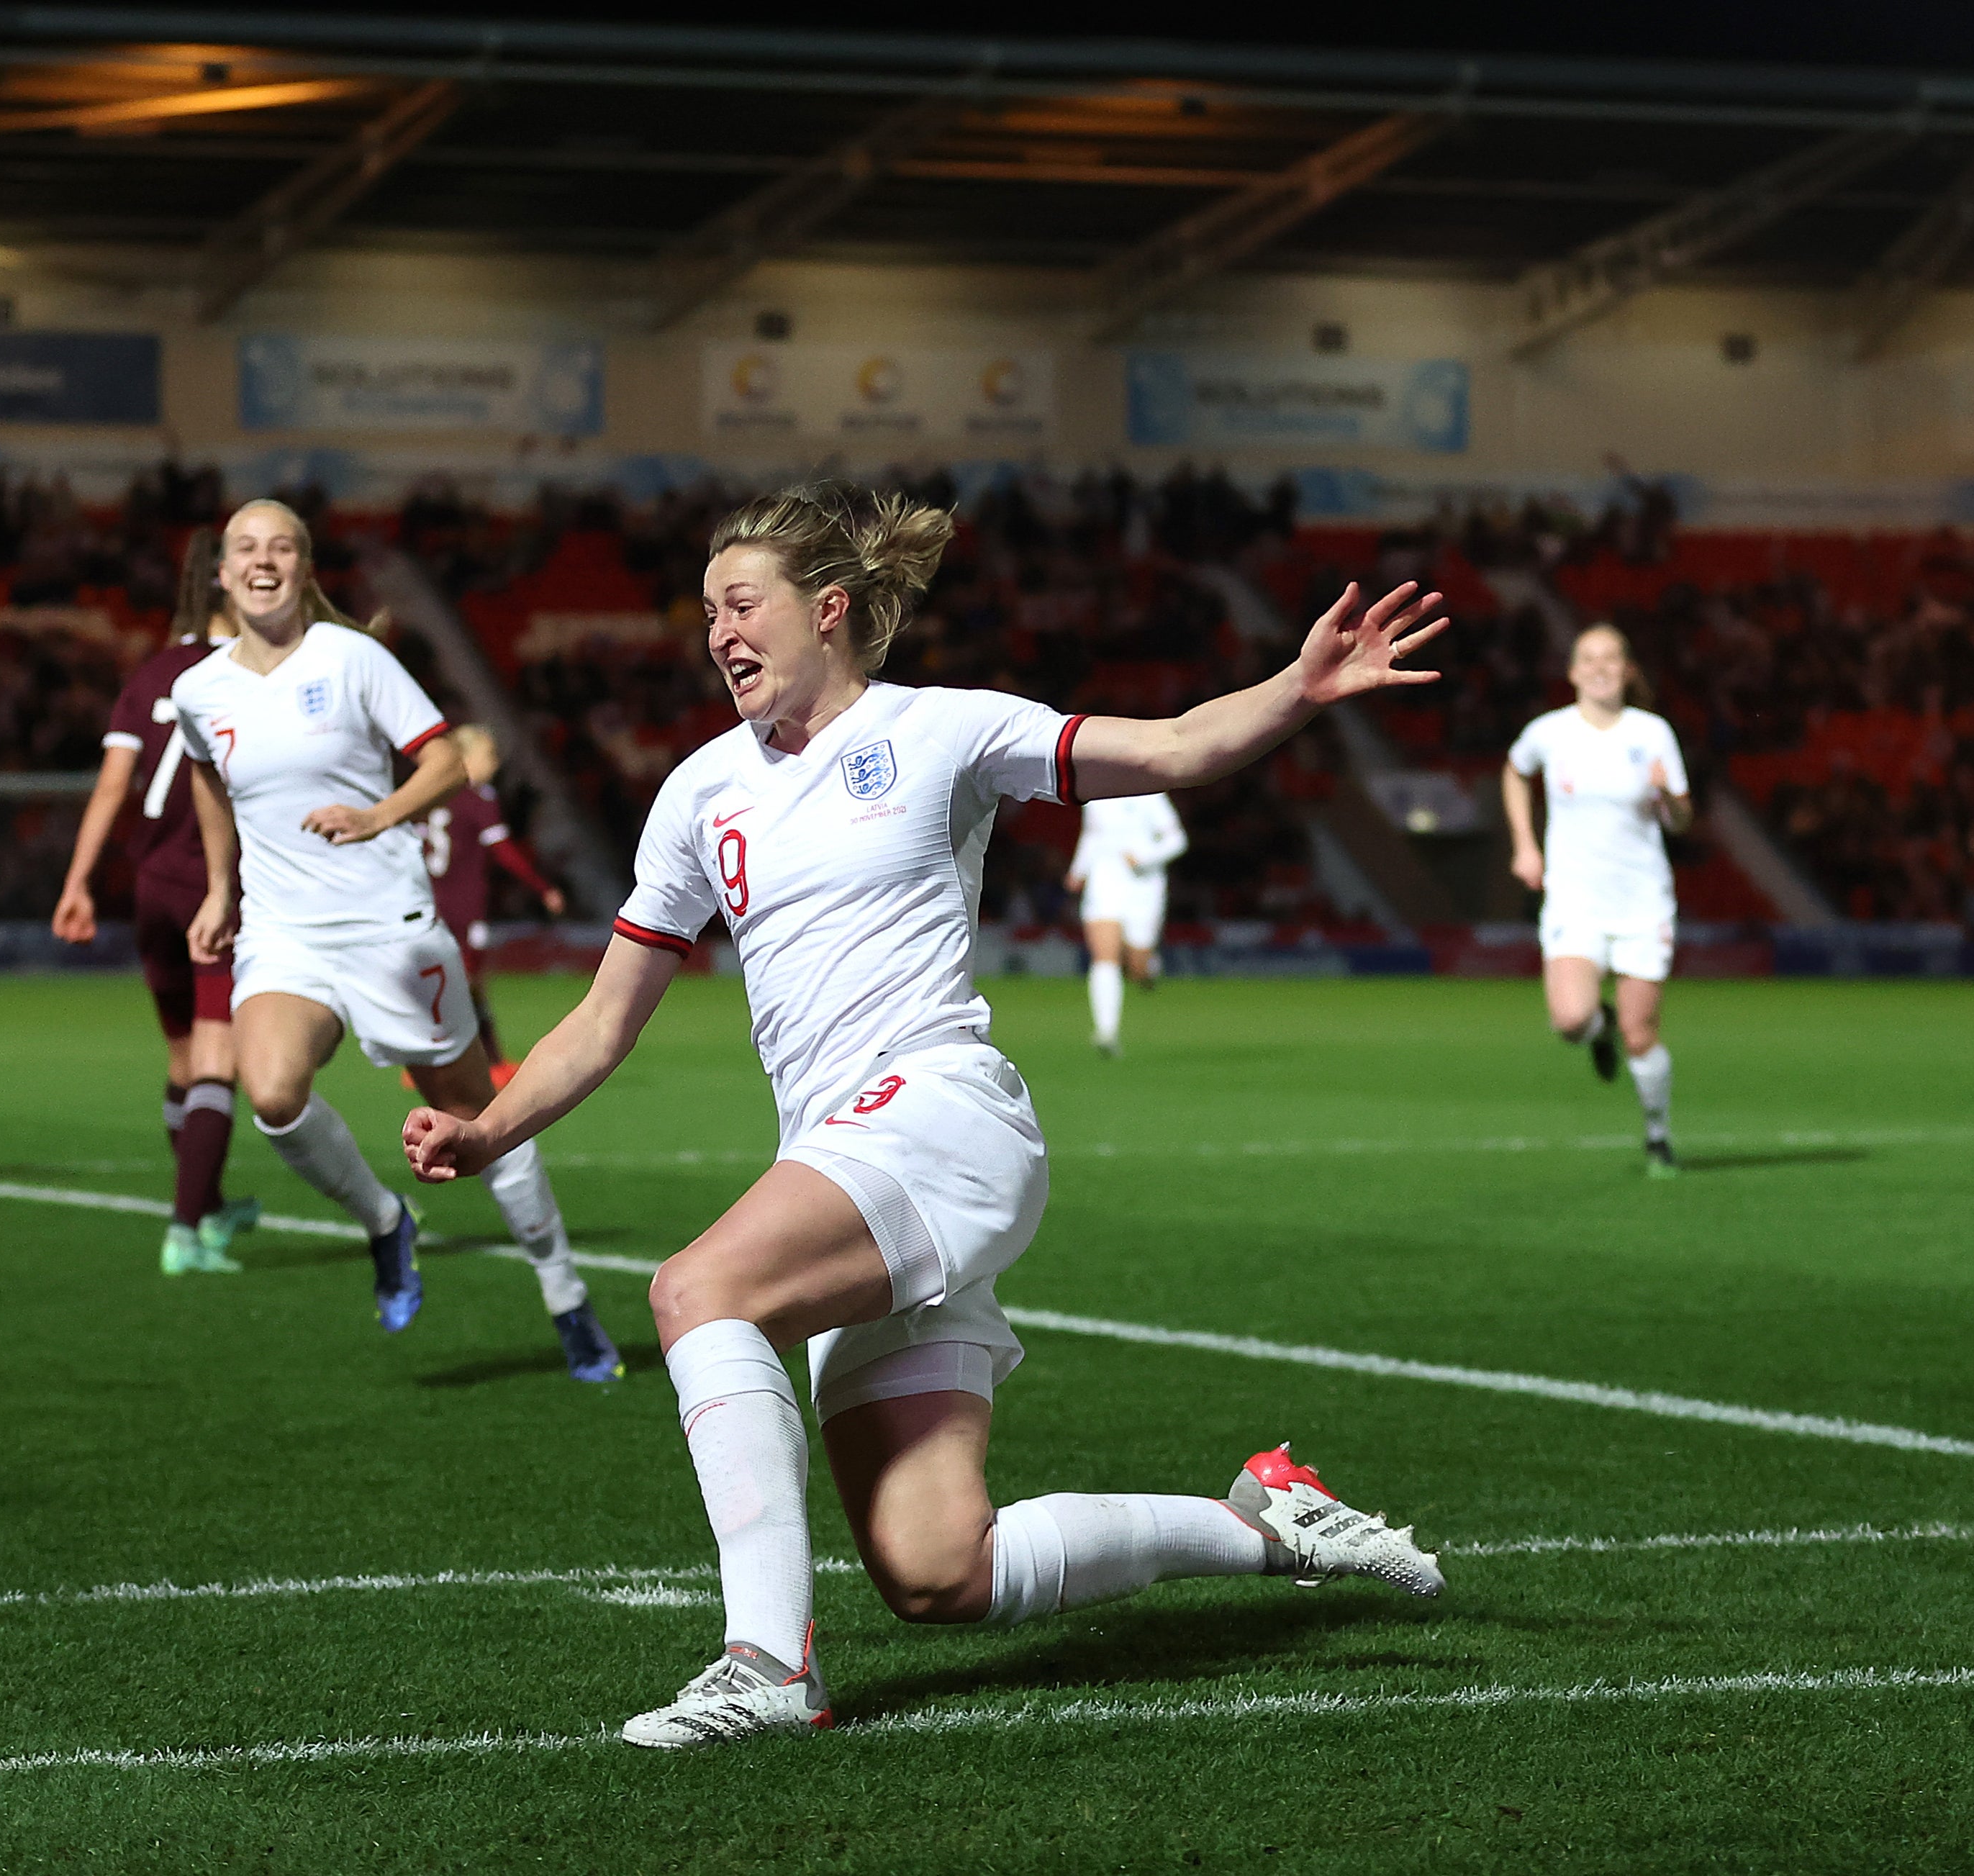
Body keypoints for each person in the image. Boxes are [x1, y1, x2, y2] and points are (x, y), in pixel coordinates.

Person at [404, 483, 1448, 1749]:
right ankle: (1263, 1520)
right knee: (937, 1570)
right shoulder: (696, 794)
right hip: (842, 1162)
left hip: (940, 1115)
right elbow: (605, 1016)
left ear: (827, 610)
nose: (717, 633)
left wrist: (1296, 688)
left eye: (741, 605)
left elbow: (1169, 748)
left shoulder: (944, 730)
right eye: (704, 615)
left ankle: (766, 1666)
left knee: (696, 1290)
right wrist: (488, 1127)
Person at [178, 499, 622, 1382]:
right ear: (222, 576)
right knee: (270, 1095)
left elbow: (446, 759)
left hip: (388, 927)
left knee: (475, 1114)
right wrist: (220, 886)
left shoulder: (353, 658)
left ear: (303, 570)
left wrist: (376, 815)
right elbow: (204, 774)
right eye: (245, 551)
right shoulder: (199, 689)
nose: (263, 562)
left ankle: (564, 1293)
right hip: (283, 936)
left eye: (282, 548)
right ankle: (385, 1221)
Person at [53, 530, 258, 1274]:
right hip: (211, 887)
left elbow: (113, 784)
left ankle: (205, 1205)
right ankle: (184, 1231)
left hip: (148, 889)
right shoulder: (249, 674)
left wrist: (77, 882)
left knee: (182, 1058)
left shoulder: (151, 673)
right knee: (217, 1058)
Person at [1502, 622, 1692, 1177]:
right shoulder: (1549, 732)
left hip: (1641, 903)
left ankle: (1657, 1137)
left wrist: (1668, 797)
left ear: (1628, 669)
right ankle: (1596, 1029)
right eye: (1589, 658)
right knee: (1569, 1019)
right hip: (1574, 901)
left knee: (1642, 1034)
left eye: (1612, 657)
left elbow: (1681, 820)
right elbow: (1514, 772)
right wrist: (1524, 845)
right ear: (1572, 671)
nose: (1601, 667)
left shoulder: (1652, 733)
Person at [420, 723, 567, 1087]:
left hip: (428, 902)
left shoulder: (431, 796)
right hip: (464, 906)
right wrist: (543, 887)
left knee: (444, 980)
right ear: (467, 760)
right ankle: (492, 1062)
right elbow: (503, 852)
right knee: (471, 983)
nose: (495, 763)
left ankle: (431, 1058)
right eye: (489, 755)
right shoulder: (478, 798)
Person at [1064, 791, 1187, 1054]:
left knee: (1137, 967)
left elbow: (1177, 840)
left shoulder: (1151, 795)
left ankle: (1148, 968)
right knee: (1104, 957)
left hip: (1144, 887)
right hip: (1104, 882)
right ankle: (1106, 1033)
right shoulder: (1096, 795)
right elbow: (1092, 835)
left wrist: (1144, 857)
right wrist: (1079, 870)